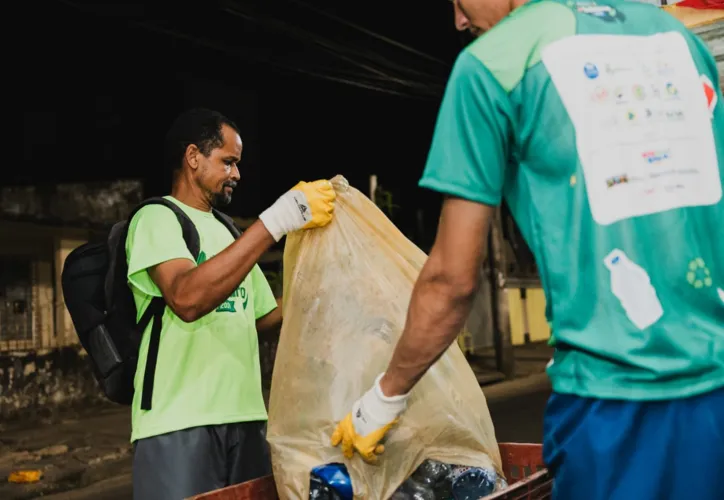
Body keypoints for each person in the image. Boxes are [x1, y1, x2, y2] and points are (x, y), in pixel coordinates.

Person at [331, 1, 724, 498]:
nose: (457, 19)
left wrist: (383, 398)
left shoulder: (492, 64)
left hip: (612, 402)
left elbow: (451, 281)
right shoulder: (678, 38)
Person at [128, 107, 336, 499]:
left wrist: (320, 283)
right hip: (179, 424)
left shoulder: (227, 231)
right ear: (193, 157)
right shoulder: (157, 218)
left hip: (247, 419)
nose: (237, 174)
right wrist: (275, 221)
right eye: (228, 162)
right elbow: (187, 299)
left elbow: (261, 316)